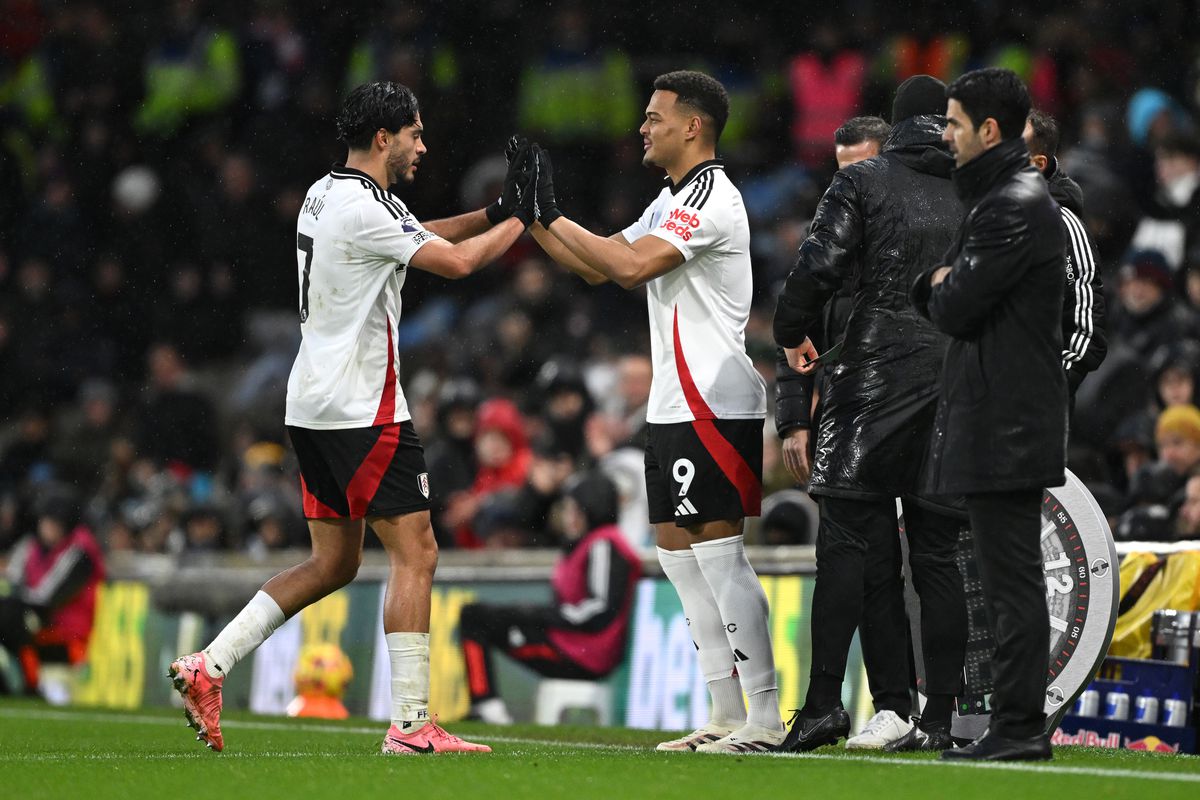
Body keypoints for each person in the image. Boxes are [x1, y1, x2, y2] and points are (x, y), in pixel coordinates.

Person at [169, 80, 538, 755]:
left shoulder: (326, 193)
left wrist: (495, 210)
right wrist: (526, 220)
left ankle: (209, 665)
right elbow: (452, 263)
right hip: (363, 409)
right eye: (415, 135)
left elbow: (421, 235)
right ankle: (411, 723)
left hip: (313, 405)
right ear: (382, 139)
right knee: (417, 551)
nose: (423, 147)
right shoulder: (366, 209)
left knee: (333, 562)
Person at [527, 70, 784, 753]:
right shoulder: (669, 199)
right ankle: (724, 714)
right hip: (673, 404)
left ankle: (764, 717)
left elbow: (634, 267)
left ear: (692, 126)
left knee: (721, 556)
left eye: (655, 117)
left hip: (712, 400)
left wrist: (552, 216)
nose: (642, 127)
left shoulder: (710, 197)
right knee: (677, 557)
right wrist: (533, 216)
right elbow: (596, 265)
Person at [773, 76, 966, 752]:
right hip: (957, 390)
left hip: (874, 383)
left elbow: (816, 267)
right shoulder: (982, 187)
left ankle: (825, 702)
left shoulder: (864, 182)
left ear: (895, 124)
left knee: (850, 547)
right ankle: (938, 716)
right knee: (939, 557)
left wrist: (790, 329)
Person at [910, 67, 1067, 762]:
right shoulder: (999, 199)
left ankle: (1021, 728)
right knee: (1006, 580)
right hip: (999, 412)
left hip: (1005, 420)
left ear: (990, 130)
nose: (945, 137)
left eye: (952, 124)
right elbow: (942, 285)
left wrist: (940, 284)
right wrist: (938, 282)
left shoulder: (1010, 204)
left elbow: (954, 303)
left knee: (1010, 582)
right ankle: (1017, 725)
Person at [459, 471, 641, 723]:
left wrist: (540, 615)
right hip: (573, 643)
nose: (567, 517)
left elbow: (601, 609)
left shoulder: (604, 543)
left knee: (476, 617)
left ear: (591, 508)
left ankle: (485, 704)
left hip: (583, 653)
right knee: (477, 615)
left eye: (573, 509)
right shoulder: (585, 543)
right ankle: (484, 704)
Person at [775, 115, 891, 486]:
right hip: (841, 408)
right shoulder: (822, 238)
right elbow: (793, 328)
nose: (852, 182)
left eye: (864, 169)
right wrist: (794, 423)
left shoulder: (917, 229)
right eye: (844, 172)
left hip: (905, 404)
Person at [1023, 109, 1108, 398]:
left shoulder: (1062, 225)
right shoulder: (977, 214)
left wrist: (1043, 394)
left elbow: (1086, 333)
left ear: (1038, 164)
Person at [0, 485, 104, 698]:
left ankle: (30, 684)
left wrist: (16, 597)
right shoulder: (30, 546)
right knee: (8, 612)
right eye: (45, 522)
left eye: (54, 523)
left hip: (68, 632)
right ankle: (16, 682)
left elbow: (49, 597)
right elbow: (11, 578)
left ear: (66, 525)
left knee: (10, 616)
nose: (47, 528)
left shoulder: (79, 551)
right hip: (38, 619)